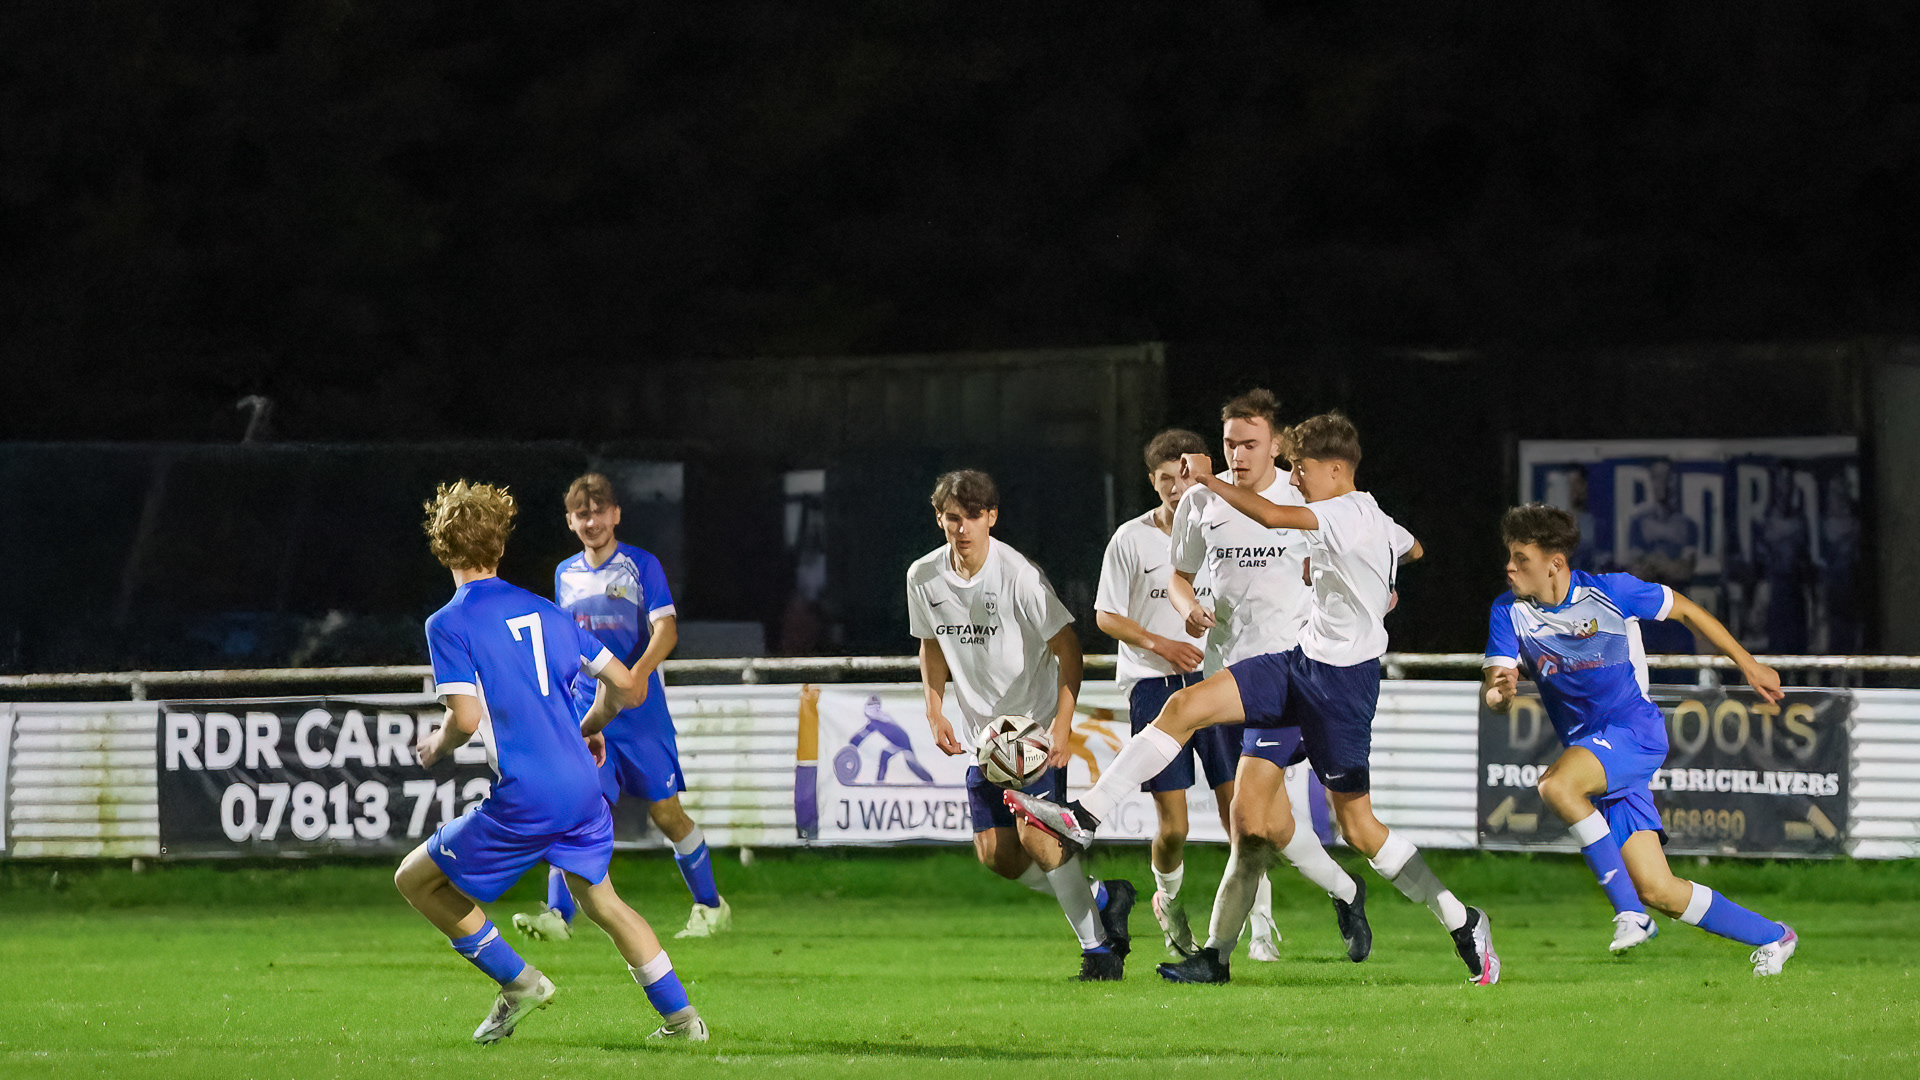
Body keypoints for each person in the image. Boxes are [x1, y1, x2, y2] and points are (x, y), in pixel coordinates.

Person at [1012, 413, 1501, 986]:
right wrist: (1378, 581)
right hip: (1297, 663)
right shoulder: (1366, 516)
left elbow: (1270, 515)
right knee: (1196, 731)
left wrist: (1207, 480)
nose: (1294, 478)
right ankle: (1092, 825)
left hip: (1341, 687)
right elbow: (1412, 547)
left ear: (1336, 470)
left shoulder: (1346, 512)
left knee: (1360, 828)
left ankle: (1463, 920)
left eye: (1302, 468)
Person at [395, 481, 706, 1043]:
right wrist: (590, 727)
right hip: (582, 786)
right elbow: (623, 684)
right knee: (603, 901)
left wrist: (435, 747)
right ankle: (683, 1021)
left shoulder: (448, 622)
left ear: (441, 549)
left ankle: (519, 983)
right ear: (500, 545)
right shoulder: (550, 612)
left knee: (416, 880)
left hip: (528, 793)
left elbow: (465, 717)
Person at [1484, 503, 1799, 975]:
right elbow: (1495, 690)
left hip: (1634, 732)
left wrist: (1748, 664)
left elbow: (1687, 610)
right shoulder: (1508, 612)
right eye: (1509, 556)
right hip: (1595, 754)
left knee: (1557, 785)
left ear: (1554, 563)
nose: (1509, 567)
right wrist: (1500, 693)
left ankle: (1630, 913)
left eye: (1520, 558)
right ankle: (1774, 936)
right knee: (1660, 889)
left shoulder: (1612, 592)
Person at [908, 469, 1134, 981]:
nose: (962, 527)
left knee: (1040, 841)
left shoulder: (1019, 575)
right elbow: (931, 644)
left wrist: (1062, 728)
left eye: (972, 516)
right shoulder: (923, 576)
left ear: (991, 517)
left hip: (1032, 736)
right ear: (938, 519)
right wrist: (934, 708)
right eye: (951, 517)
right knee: (996, 854)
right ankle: (1104, 896)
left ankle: (1099, 952)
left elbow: (1069, 649)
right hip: (983, 742)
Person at [514, 473, 728, 945]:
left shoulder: (641, 566)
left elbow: (666, 630)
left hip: (641, 714)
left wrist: (640, 674)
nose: (591, 522)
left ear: (615, 515)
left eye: (599, 512)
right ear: (570, 521)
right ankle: (557, 915)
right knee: (575, 807)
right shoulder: (564, 575)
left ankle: (711, 906)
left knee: (667, 814)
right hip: (588, 712)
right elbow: (567, 643)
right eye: (582, 514)